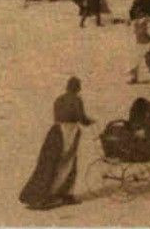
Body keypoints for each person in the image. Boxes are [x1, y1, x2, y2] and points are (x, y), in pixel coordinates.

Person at [19, 76, 95, 210]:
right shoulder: (76, 100)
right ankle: (63, 194)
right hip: (69, 132)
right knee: (68, 164)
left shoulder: (59, 99)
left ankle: (41, 194)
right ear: (77, 88)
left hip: (56, 131)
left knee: (49, 163)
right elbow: (81, 118)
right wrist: (91, 122)